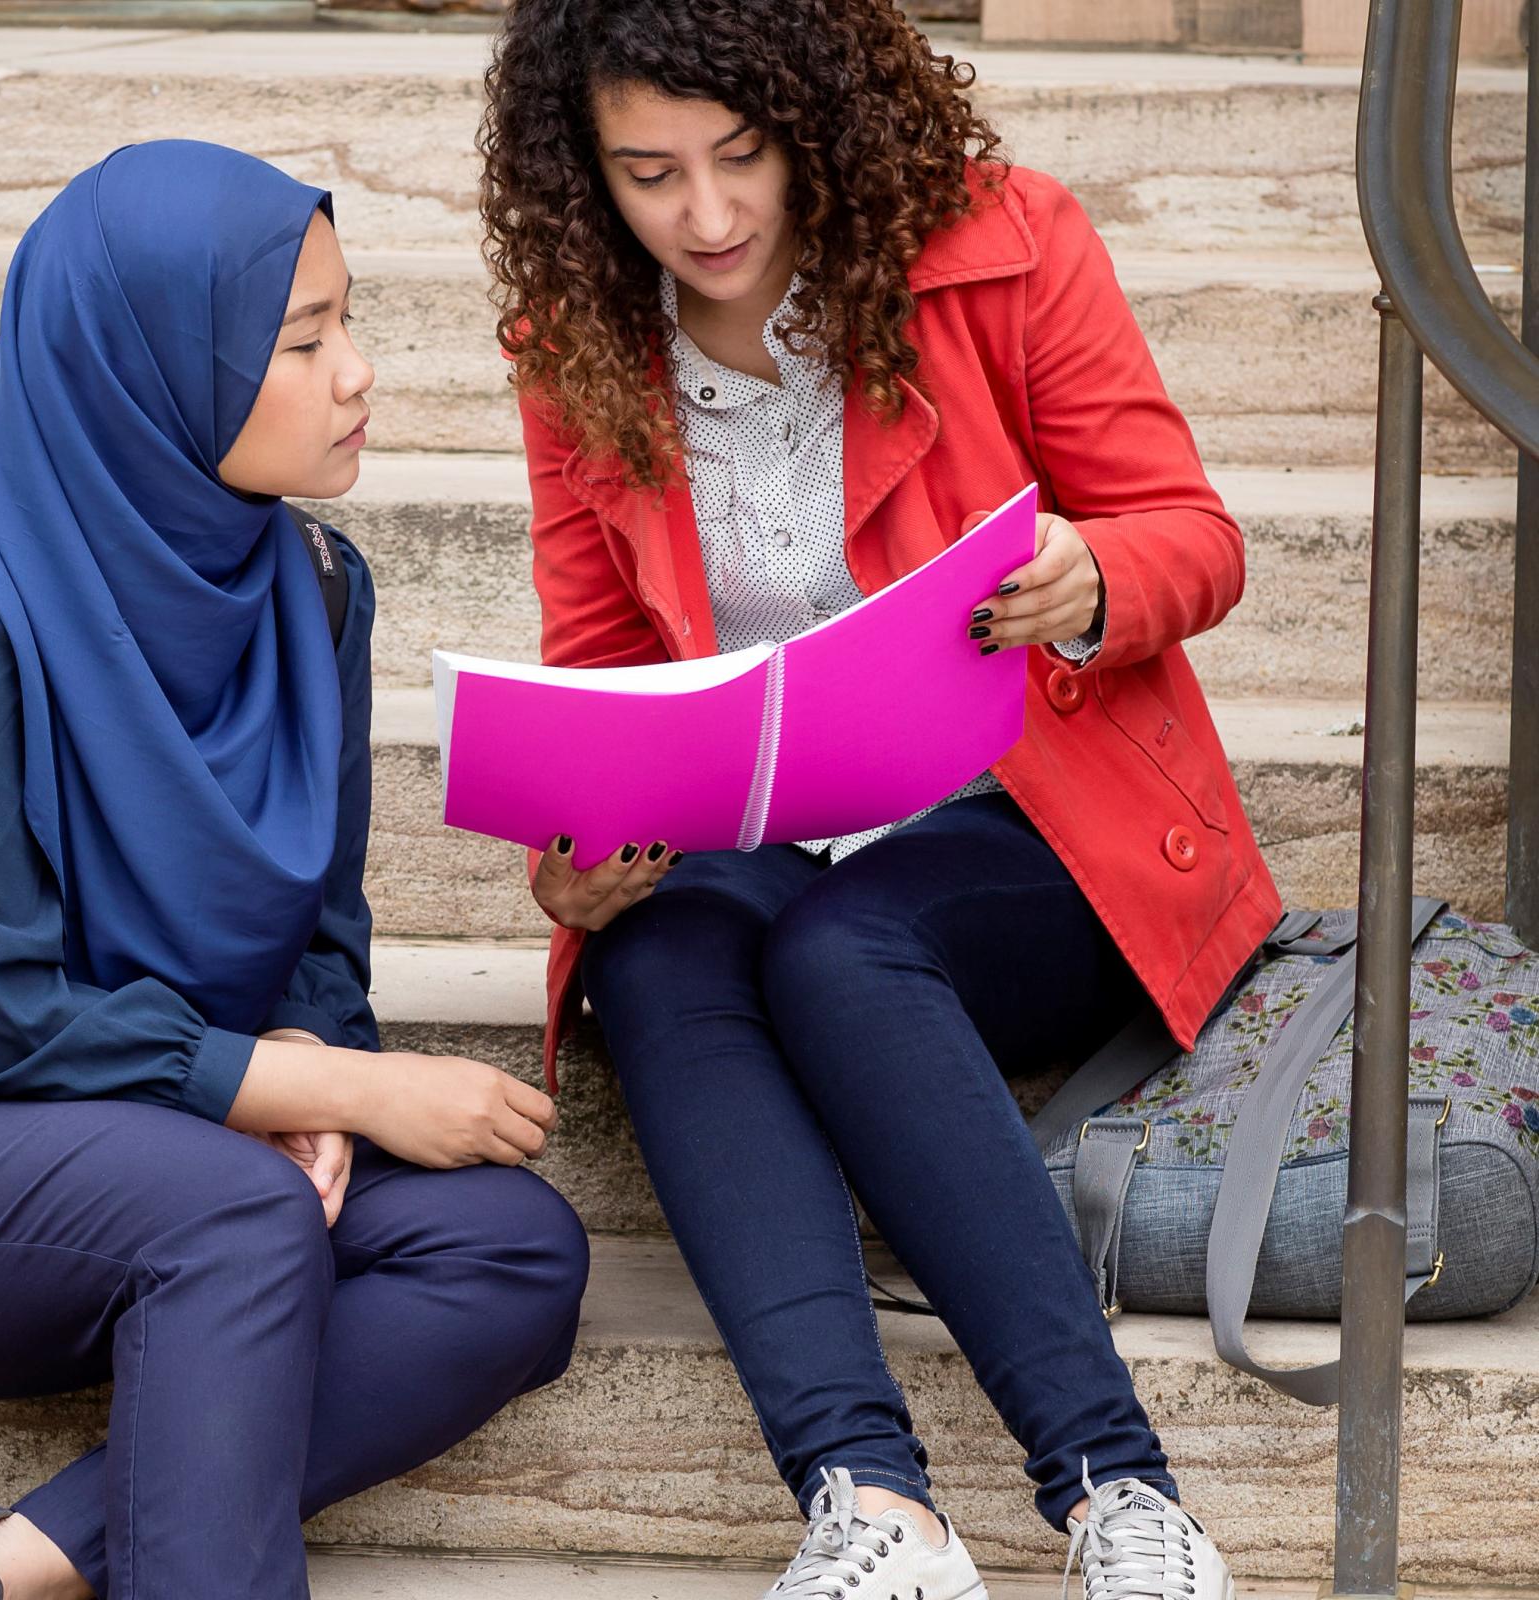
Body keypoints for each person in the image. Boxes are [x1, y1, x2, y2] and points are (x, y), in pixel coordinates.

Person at [0, 141, 589, 1600]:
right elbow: (5, 1017)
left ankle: (3, 1558)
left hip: (133, 1134)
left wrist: (307, 1067)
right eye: (303, 340)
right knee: (236, 1217)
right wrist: (333, 1089)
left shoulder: (314, 593)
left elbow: (319, 938)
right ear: (149, 366)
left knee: (511, 1248)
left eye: (347, 324)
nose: (357, 374)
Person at [478, 4, 1278, 1598]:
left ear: (815, 119)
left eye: (742, 158)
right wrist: (572, 859)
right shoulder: (578, 340)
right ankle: (873, 1509)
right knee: (658, 958)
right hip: (767, 824)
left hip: (1042, 821)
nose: (704, 217)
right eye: (648, 175)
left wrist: (1096, 572)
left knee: (848, 948)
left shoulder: (1005, 244)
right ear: (585, 176)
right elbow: (601, 663)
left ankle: (1123, 1494)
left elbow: (1195, 533)